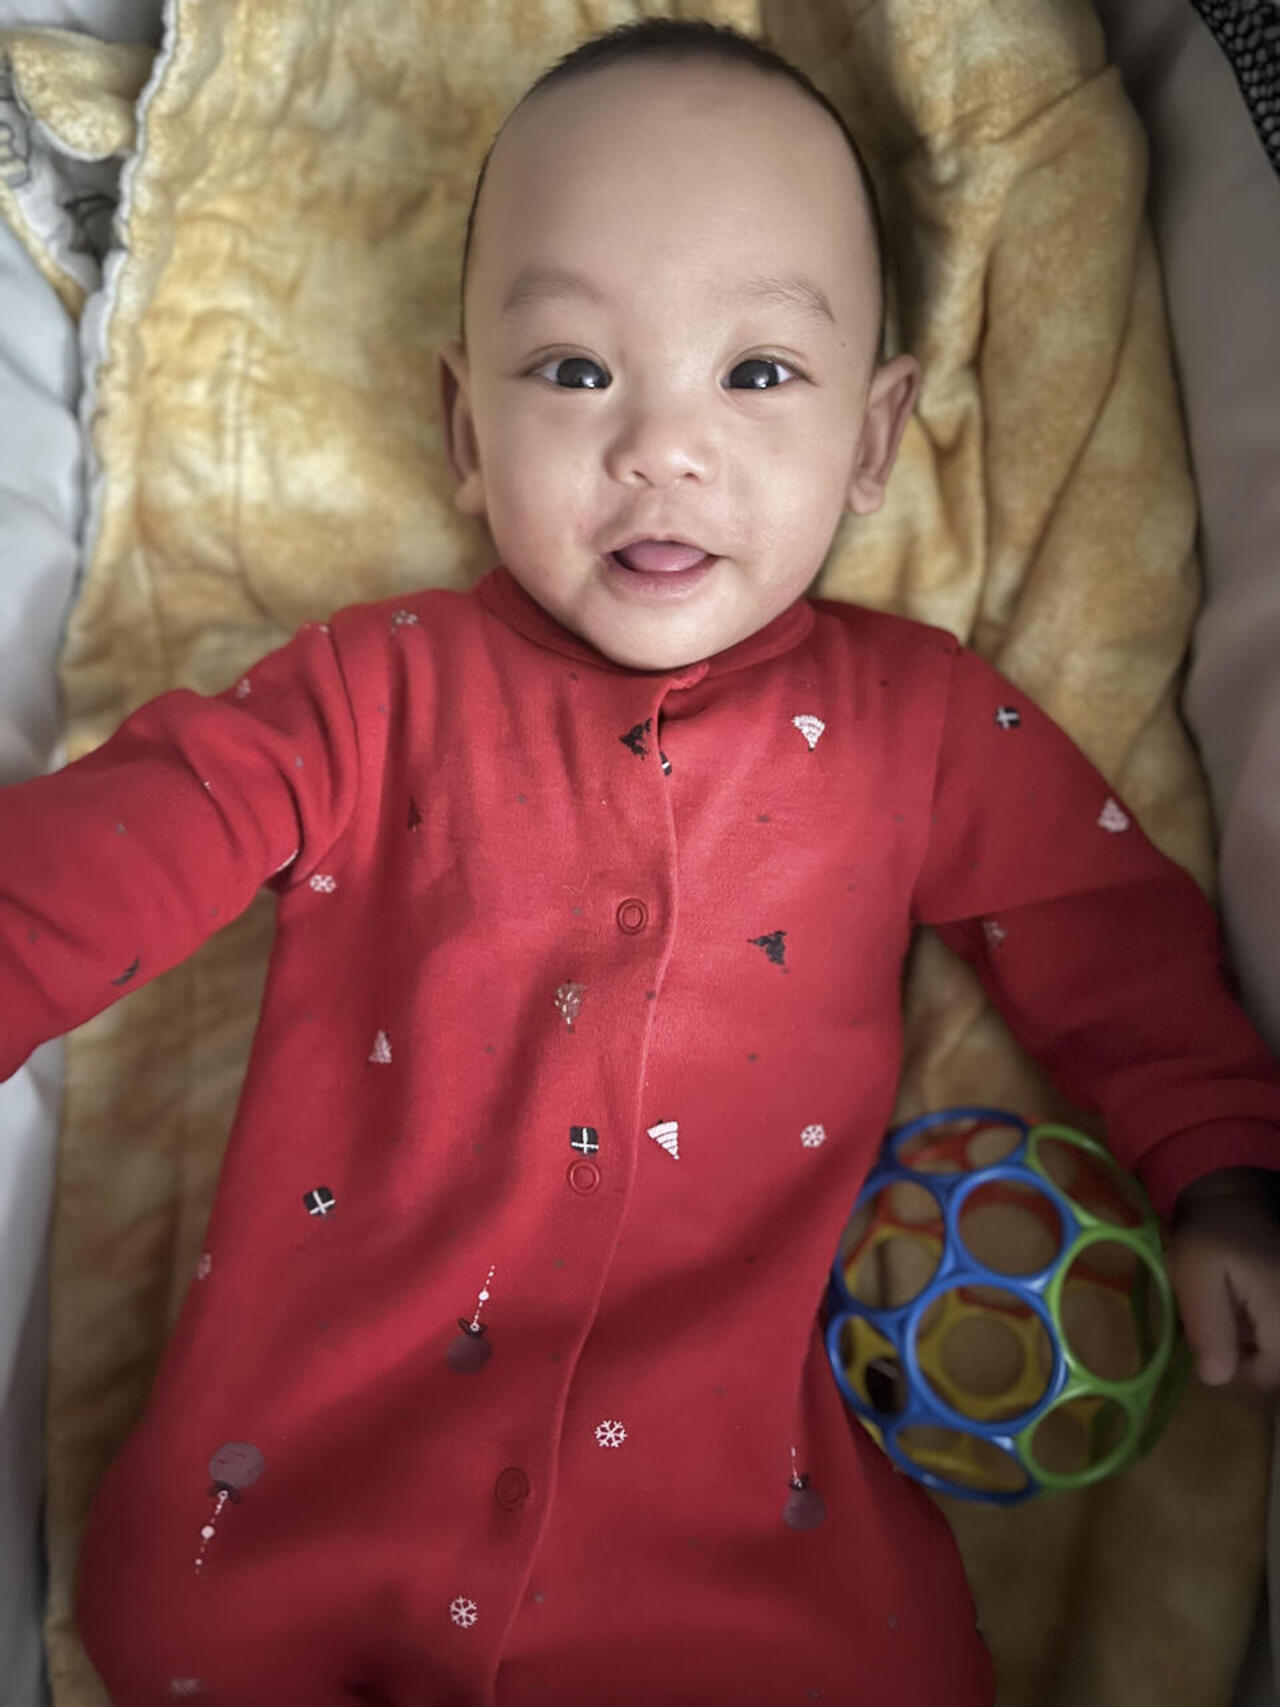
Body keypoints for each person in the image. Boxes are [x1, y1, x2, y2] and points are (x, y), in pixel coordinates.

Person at [3, 16, 1280, 1706]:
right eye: (572, 370)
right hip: (292, 1510)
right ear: (466, 430)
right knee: (184, 1624)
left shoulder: (918, 727)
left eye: (757, 374)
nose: (660, 447)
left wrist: (1223, 1173)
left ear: (875, 439)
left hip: (737, 1545)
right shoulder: (373, 693)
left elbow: (1106, 933)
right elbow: (124, 845)